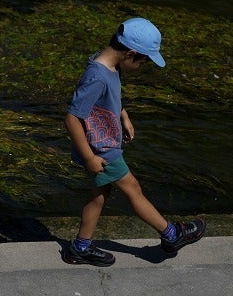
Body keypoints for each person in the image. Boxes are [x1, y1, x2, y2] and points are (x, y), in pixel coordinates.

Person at [62, 17, 206, 267]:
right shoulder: (97, 75)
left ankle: (80, 247)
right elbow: (72, 118)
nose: (143, 66)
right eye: (144, 61)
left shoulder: (110, 65)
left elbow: (109, 98)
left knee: (99, 195)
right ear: (130, 53)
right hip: (101, 150)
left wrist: (123, 115)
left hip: (102, 144)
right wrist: (89, 157)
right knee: (133, 188)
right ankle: (172, 234)